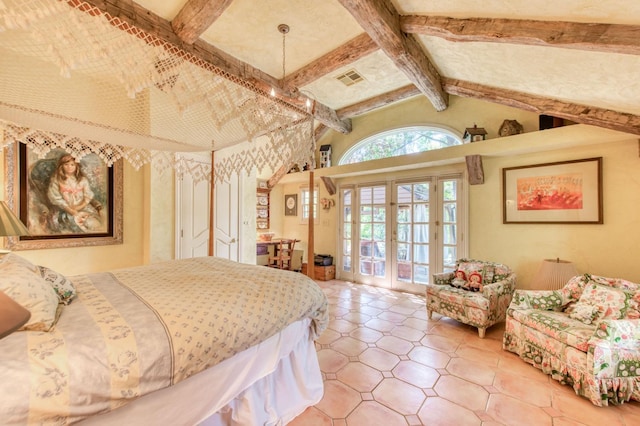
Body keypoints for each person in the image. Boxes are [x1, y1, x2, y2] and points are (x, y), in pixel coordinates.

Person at [47, 155, 102, 233]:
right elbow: (55, 197)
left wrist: (78, 207)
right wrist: (71, 210)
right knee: (71, 225)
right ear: (61, 166)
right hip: (64, 209)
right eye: (66, 165)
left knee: (92, 222)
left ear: (77, 166)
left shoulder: (83, 180)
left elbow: (87, 196)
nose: (69, 167)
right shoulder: (56, 180)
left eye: (72, 165)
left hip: (82, 207)